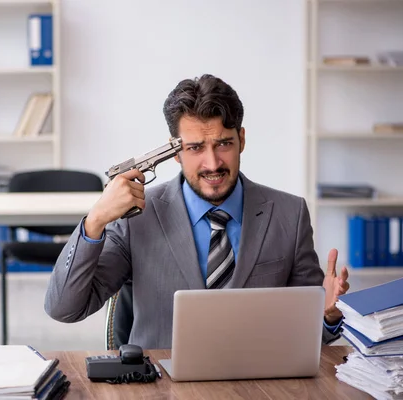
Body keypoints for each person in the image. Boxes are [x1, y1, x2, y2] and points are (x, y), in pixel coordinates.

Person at [44, 73, 350, 349]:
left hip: (259, 387)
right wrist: (96, 219)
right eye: (195, 148)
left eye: (223, 144)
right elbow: (64, 309)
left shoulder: (289, 214)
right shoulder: (135, 220)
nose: (213, 163)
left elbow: (311, 338)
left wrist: (327, 315)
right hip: (161, 388)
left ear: (241, 139)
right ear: (175, 151)